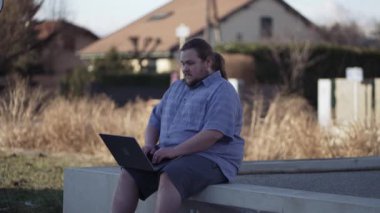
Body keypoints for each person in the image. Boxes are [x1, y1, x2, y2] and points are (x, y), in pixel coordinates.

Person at [111, 38, 244, 213]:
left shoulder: (223, 90)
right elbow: (154, 120)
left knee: (170, 175)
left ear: (208, 62)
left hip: (212, 159)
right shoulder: (176, 88)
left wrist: (174, 151)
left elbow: (213, 134)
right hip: (172, 156)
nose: (185, 69)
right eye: (182, 64)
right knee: (131, 171)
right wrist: (150, 145)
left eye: (190, 63)